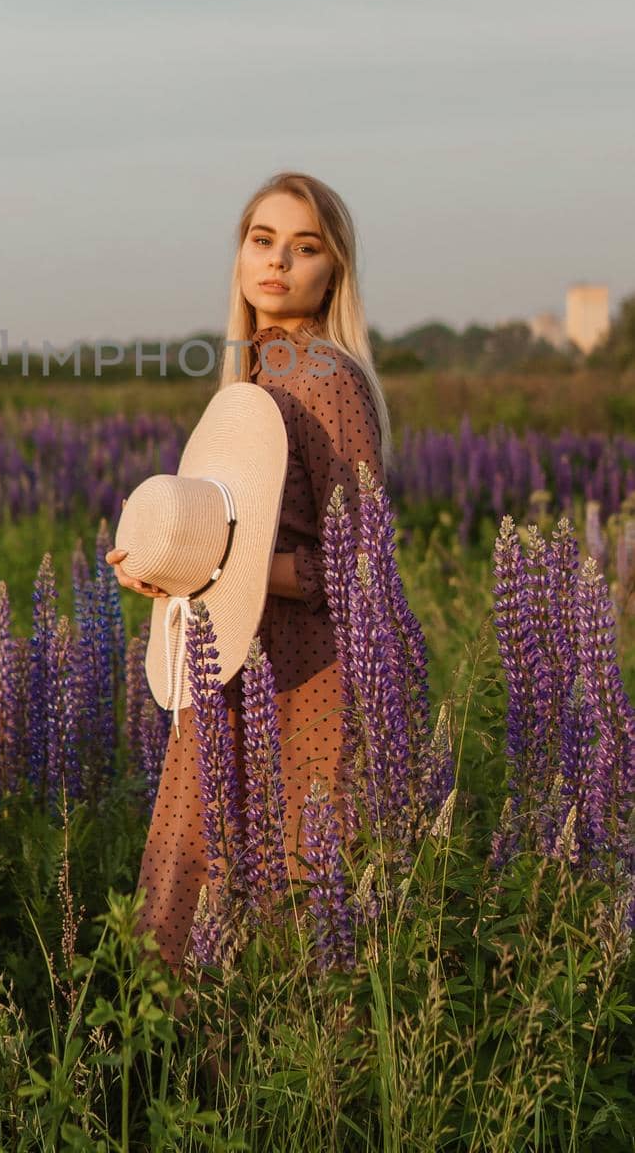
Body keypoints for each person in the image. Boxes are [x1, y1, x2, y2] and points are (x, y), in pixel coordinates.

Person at [107, 170, 393, 974]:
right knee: (196, 877)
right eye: (261, 240)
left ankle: (293, 1094)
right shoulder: (250, 381)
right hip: (228, 660)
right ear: (239, 255)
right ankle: (196, 1088)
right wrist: (172, 567)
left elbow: (360, 565)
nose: (277, 262)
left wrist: (230, 569)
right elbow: (226, 543)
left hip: (309, 679)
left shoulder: (329, 381)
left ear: (331, 269)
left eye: (304, 247)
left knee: (298, 899)